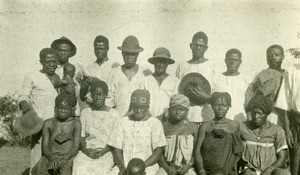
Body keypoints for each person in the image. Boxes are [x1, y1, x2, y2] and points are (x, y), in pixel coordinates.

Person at [18, 48, 60, 173]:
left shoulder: (61, 76)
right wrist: (24, 106)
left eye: (54, 61)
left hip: (57, 124)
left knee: (56, 157)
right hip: (39, 124)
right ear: (41, 61)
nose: (52, 64)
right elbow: (23, 95)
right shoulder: (33, 76)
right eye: (48, 62)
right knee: (37, 157)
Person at [108, 89, 166, 175]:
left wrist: (141, 167)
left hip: (148, 166)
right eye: (136, 107)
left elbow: (158, 151)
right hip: (125, 165)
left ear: (147, 107)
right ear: (132, 107)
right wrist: (122, 167)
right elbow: (117, 148)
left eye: (142, 107)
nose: (138, 110)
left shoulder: (155, 123)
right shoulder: (123, 122)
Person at [72, 80, 120, 175]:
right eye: (95, 94)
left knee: (101, 169)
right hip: (87, 150)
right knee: (79, 165)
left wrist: (103, 152)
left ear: (106, 95)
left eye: (101, 94)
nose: (98, 97)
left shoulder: (114, 114)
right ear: (91, 95)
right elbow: (81, 136)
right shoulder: (85, 112)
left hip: (105, 151)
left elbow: (115, 138)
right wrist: (86, 151)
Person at [194, 92, 244, 175]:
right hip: (208, 171)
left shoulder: (234, 125)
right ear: (212, 107)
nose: (220, 108)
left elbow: (238, 150)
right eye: (217, 105)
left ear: (228, 107)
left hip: (227, 171)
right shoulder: (206, 126)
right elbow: (197, 151)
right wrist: (201, 171)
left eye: (224, 105)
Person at [239, 95, 289, 175]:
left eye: (260, 113)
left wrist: (269, 170)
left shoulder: (277, 130)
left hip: (271, 170)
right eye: (253, 113)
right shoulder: (243, 128)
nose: (256, 116)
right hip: (250, 170)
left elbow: (282, 158)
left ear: (267, 114)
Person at [34, 93, 81, 175]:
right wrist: (51, 158)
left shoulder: (76, 124)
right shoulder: (48, 123)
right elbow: (45, 147)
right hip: (51, 156)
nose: (63, 111)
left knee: (66, 170)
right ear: (55, 108)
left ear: (71, 110)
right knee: (41, 169)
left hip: (69, 156)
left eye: (66, 109)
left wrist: (65, 158)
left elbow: (76, 147)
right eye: (60, 108)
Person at [106, 35, 152, 116]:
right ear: (122, 53)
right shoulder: (115, 72)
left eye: (133, 54)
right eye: (127, 53)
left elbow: (150, 99)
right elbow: (109, 99)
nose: (129, 57)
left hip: (139, 119)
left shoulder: (144, 73)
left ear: (137, 54)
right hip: (118, 117)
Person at [157, 94, 198, 175]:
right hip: (167, 167)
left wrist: (188, 166)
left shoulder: (193, 127)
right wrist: (167, 168)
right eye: (175, 109)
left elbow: (197, 152)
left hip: (187, 167)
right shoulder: (163, 126)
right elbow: (158, 152)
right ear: (170, 109)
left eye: (181, 109)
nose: (178, 112)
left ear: (187, 110)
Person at [245, 45, 286, 125]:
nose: (273, 58)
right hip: (266, 114)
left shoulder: (287, 74)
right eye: (269, 55)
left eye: (276, 55)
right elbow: (250, 94)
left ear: (282, 57)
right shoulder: (262, 74)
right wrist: (249, 114)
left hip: (285, 116)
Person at [275, 61, 300, 175]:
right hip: (296, 123)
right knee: (296, 160)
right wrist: (287, 129)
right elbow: (284, 102)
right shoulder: (292, 71)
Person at [212, 49, 250, 122]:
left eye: (235, 60)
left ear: (240, 62)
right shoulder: (216, 78)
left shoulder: (247, 80)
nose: (233, 62)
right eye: (230, 60)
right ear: (225, 61)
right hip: (219, 121)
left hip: (241, 120)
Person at [145, 47, 179, 117]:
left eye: (164, 62)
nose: (160, 65)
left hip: (168, 120)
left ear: (168, 63)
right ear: (154, 62)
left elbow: (176, 103)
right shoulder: (146, 80)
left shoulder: (175, 81)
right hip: (149, 119)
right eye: (158, 61)